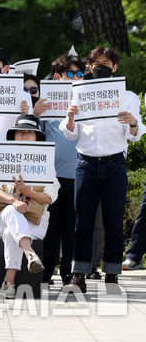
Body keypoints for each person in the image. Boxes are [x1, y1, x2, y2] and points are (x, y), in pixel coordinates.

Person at [60, 46, 146, 293]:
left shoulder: (128, 96)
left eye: (106, 63)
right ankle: (79, 274)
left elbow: (135, 135)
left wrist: (132, 123)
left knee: (113, 222)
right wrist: (70, 118)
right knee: (82, 223)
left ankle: (111, 275)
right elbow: (70, 134)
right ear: (89, 66)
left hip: (114, 163)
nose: (101, 67)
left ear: (115, 67)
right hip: (86, 162)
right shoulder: (78, 93)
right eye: (96, 63)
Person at [0, 114, 59, 299]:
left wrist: (27, 192)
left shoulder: (46, 164)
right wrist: (14, 200)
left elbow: (49, 197)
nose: (25, 137)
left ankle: (9, 282)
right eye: (20, 133)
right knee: (12, 212)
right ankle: (29, 253)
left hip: (34, 223)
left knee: (14, 231)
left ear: (38, 137)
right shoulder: (2, 158)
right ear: (13, 136)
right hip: (3, 218)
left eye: (30, 133)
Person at [34, 54, 83, 286]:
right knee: (50, 228)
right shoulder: (45, 103)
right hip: (50, 177)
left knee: (72, 228)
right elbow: (34, 135)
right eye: (71, 73)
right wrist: (34, 113)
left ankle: (69, 275)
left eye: (80, 73)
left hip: (78, 175)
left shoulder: (86, 100)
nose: (76, 77)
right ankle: (45, 274)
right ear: (57, 76)